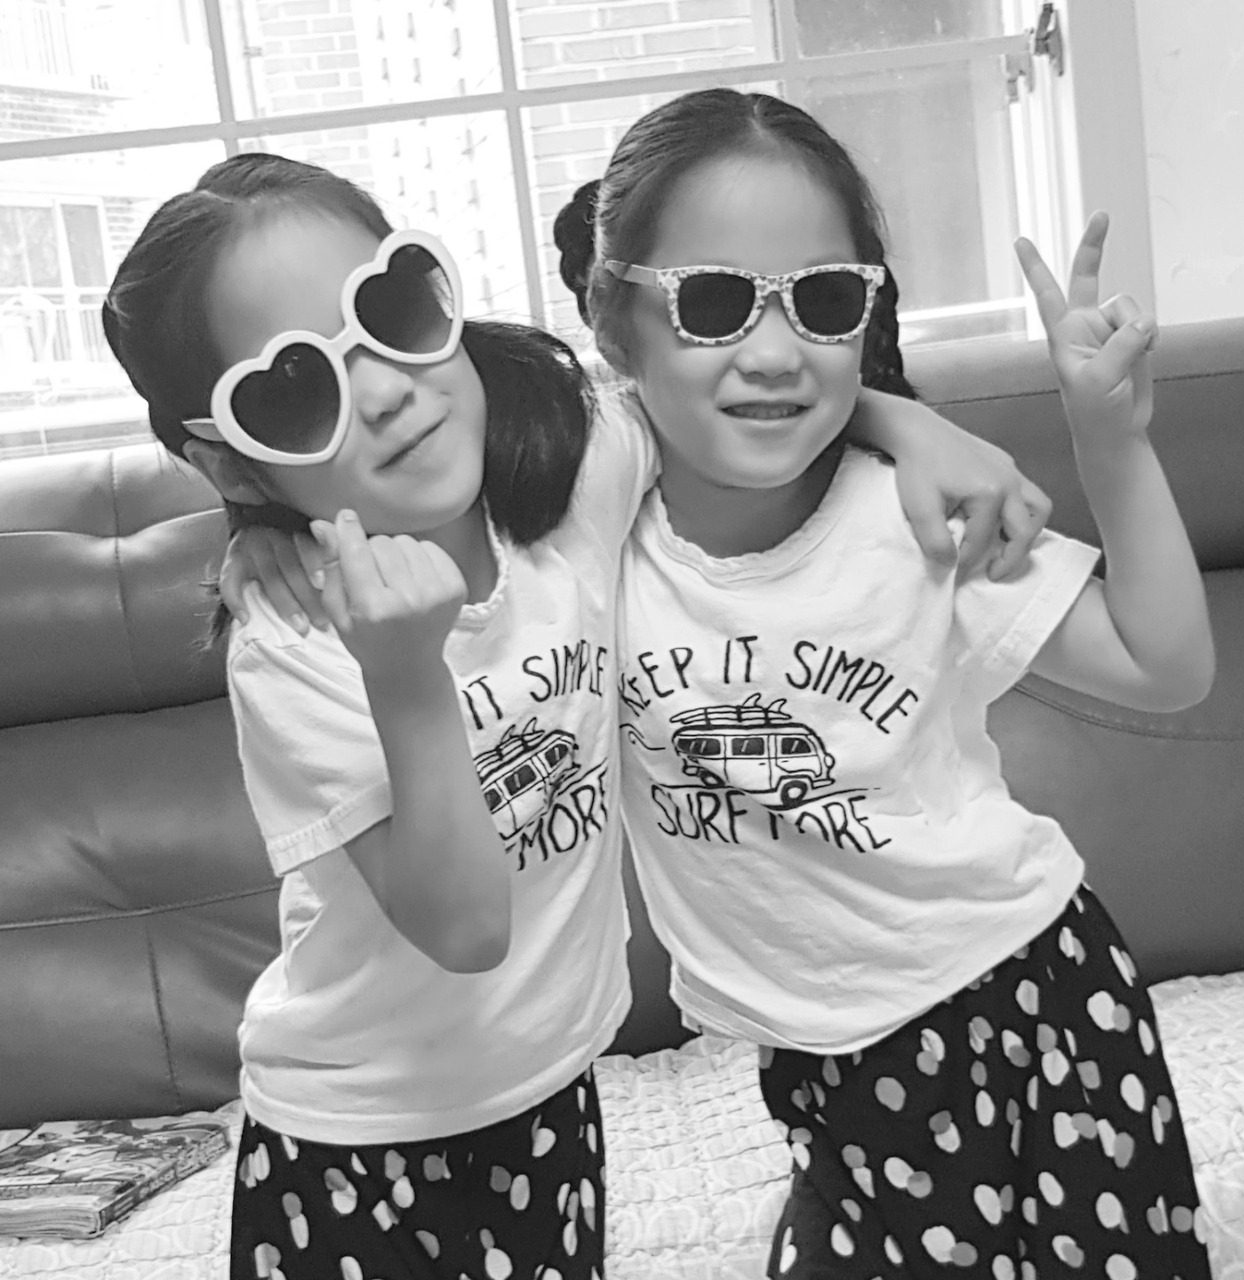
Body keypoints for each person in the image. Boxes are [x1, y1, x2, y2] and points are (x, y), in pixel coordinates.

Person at [105, 150, 1044, 1280]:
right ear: (230, 455)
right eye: (295, 391)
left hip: (549, 1102)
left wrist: (909, 424)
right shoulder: (297, 641)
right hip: (352, 1142)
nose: (387, 390)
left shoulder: (574, 484)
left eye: (392, 312)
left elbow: (720, 399)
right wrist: (401, 672)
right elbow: (466, 930)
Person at [555, 88, 1215, 1277]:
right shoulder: (590, 532)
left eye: (821, 300)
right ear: (613, 317)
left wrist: (1106, 437)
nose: (771, 352)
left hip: (1029, 1004)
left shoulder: (914, 517)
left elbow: (1163, 665)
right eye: (711, 301)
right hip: (822, 1062)